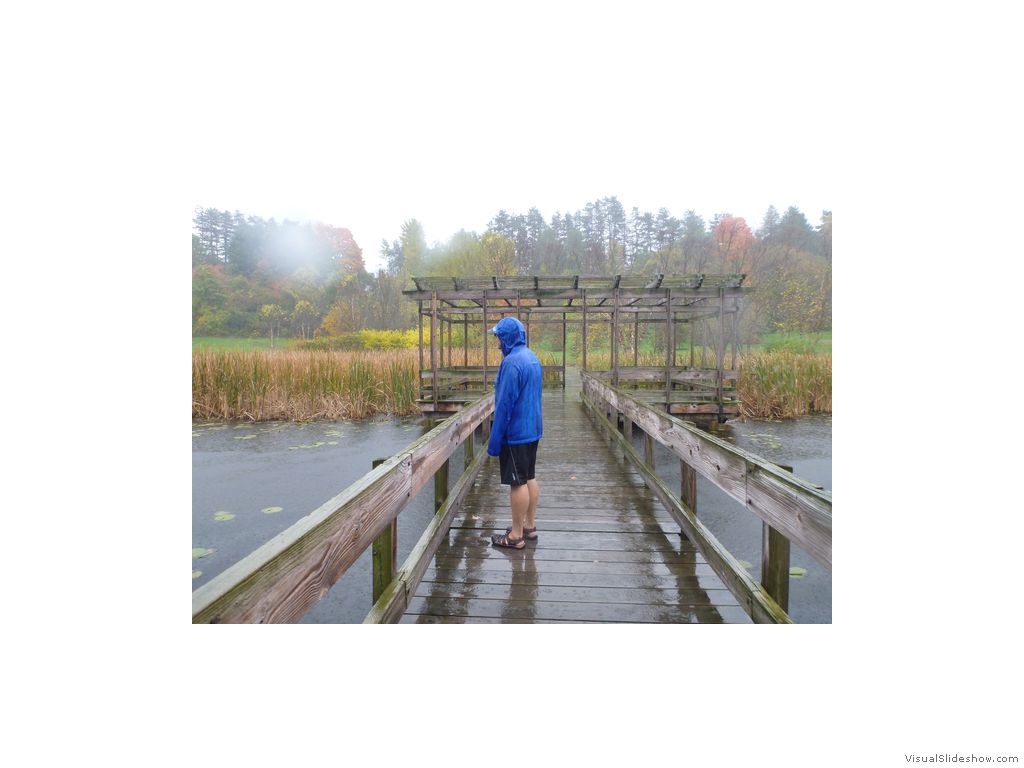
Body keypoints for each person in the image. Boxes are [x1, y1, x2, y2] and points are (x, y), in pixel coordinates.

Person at [486, 316, 543, 549]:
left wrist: (494, 441)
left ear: (506, 337)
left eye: (498, 336)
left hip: (516, 433)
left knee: (517, 483)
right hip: (533, 429)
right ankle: (529, 525)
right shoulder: (532, 357)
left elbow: (504, 405)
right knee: (529, 476)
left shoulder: (511, 363)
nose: (497, 341)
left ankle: (516, 535)